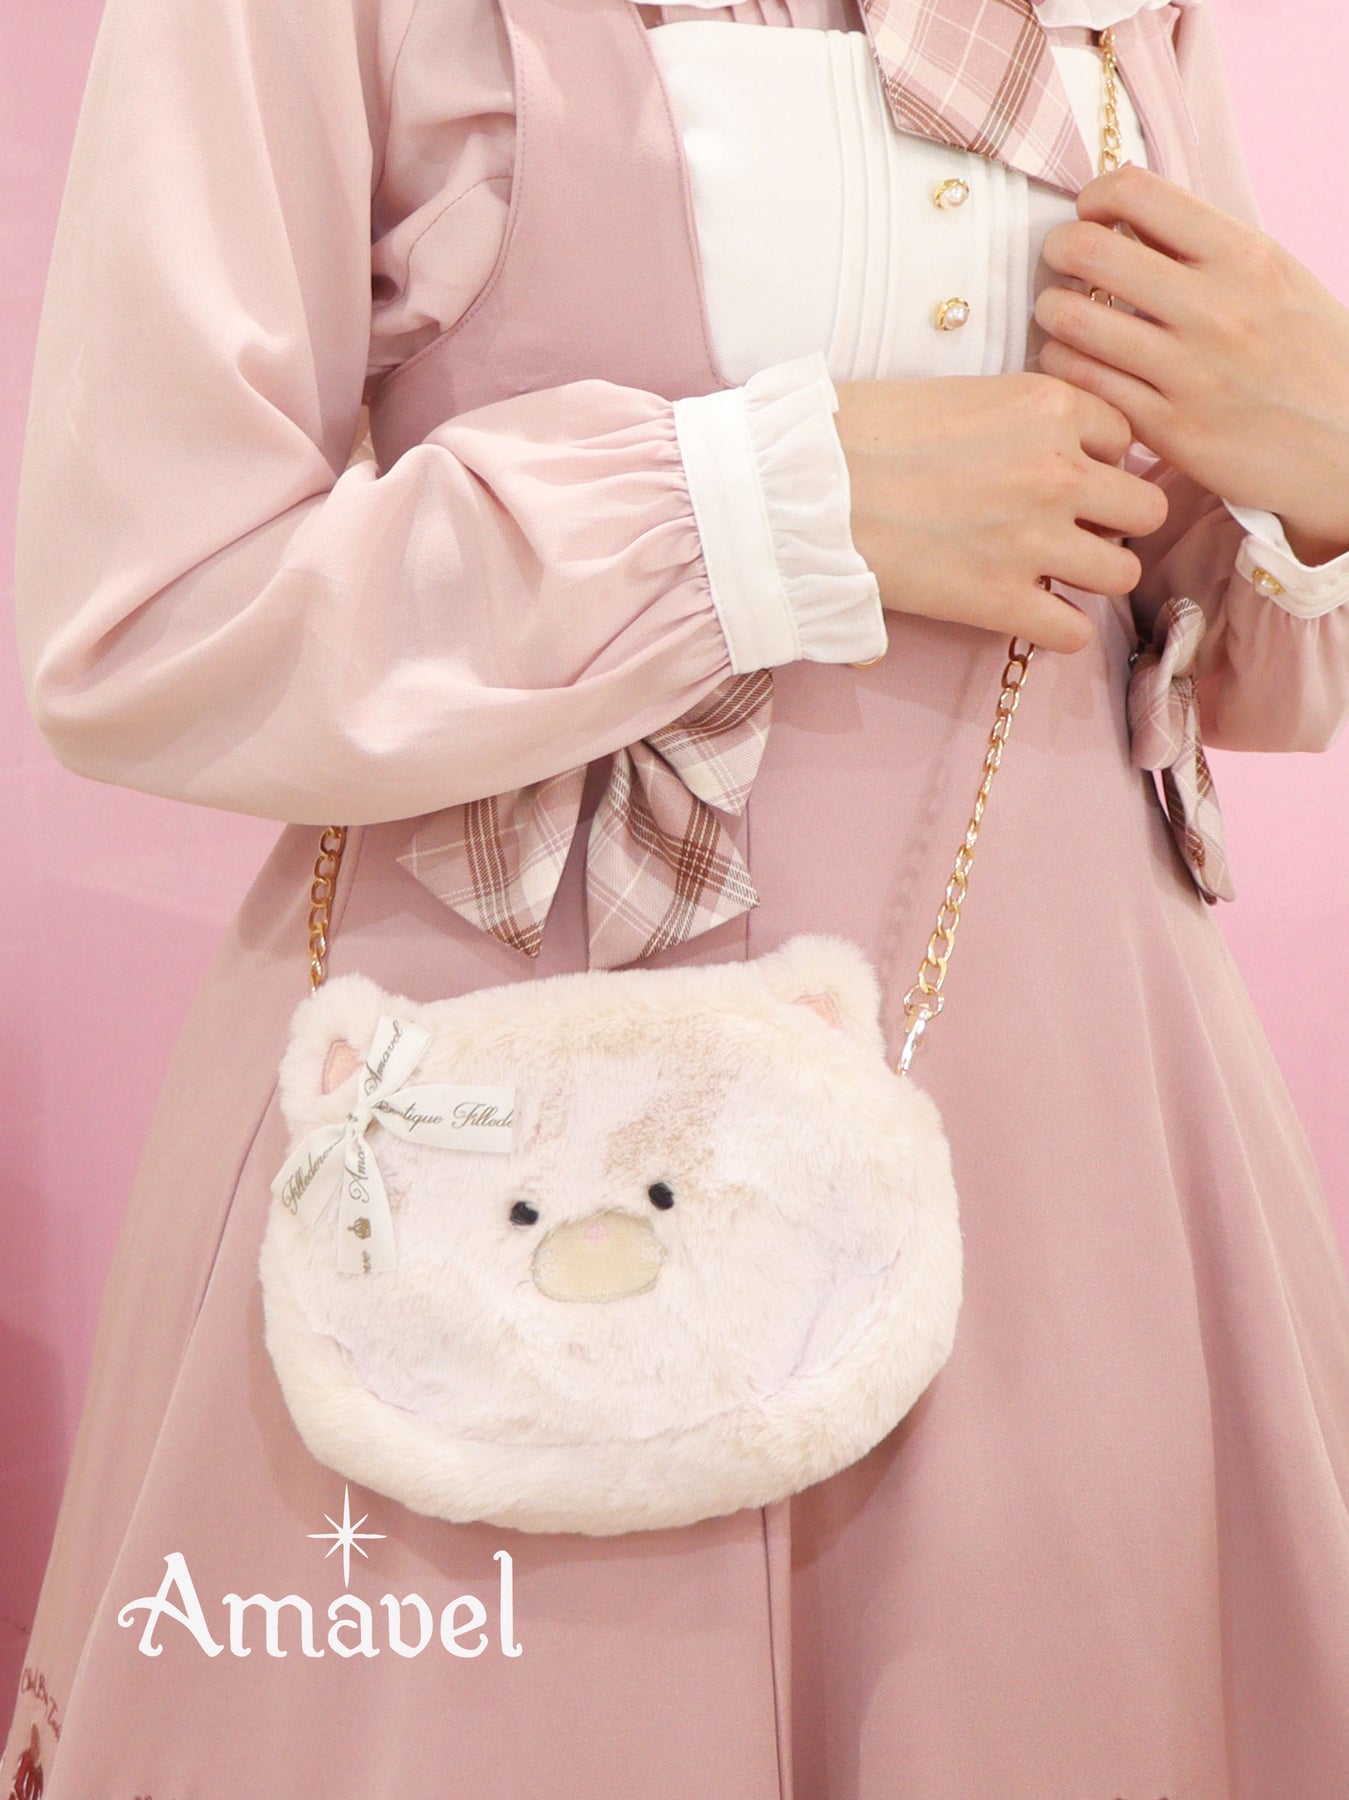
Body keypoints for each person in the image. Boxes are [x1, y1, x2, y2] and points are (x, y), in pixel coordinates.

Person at [7, 0, 1349, 1792]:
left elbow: (1221, 647)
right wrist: (757, 509)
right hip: (514, 1131)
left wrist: (1323, 450)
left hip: (1072, 1154)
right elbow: (146, 619)